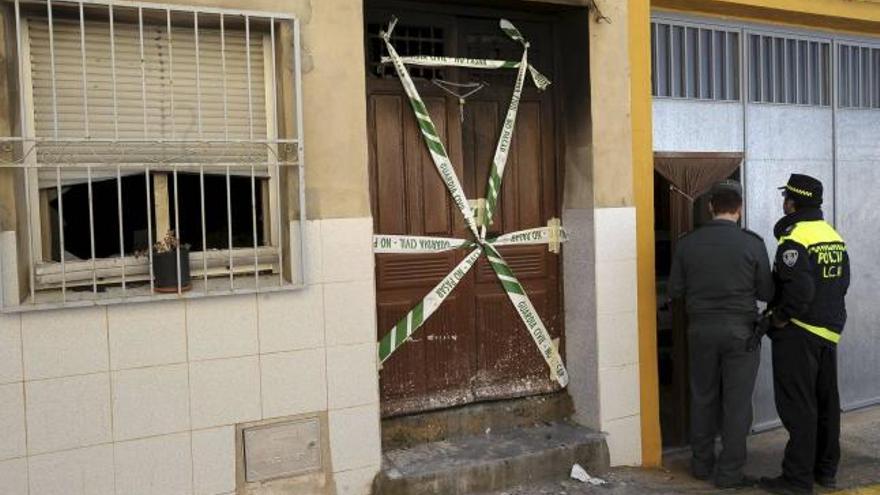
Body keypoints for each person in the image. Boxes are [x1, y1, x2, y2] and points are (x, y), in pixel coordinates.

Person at [669, 179, 774, 489]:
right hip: (741, 331)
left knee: (703, 396)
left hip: (700, 330)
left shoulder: (687, 244)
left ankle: (701, 466)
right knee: (737, 403)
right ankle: (729, 473)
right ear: (739, 210)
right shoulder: (752, 243)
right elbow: (767, 292)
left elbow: (675, 291)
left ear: (712, 207)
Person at [760, 174, 850, 495]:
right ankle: (825, 471)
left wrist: (780, 318)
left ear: (792, 202)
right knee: (826, 403)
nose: (783, 202)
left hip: (800, 333)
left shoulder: (795, 238)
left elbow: (801, 289)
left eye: (786, 197)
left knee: (799, 406)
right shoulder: (831, 234)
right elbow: (842, 283)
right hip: (828, 332)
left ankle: (796, 480)